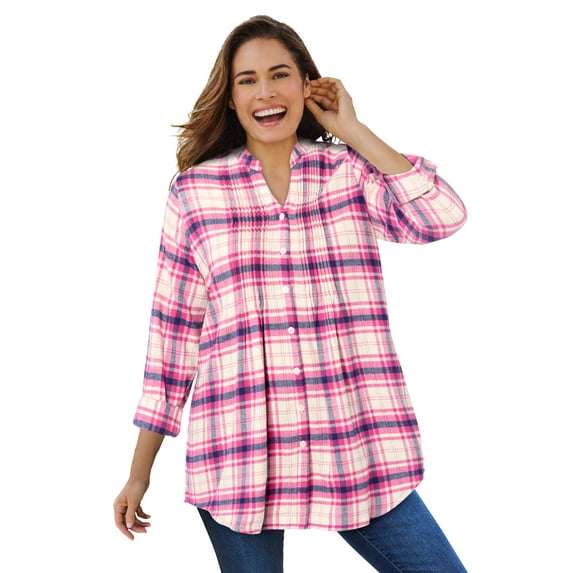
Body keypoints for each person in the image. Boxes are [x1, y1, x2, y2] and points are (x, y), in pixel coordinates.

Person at [113, 14, 468, 573]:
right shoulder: (195, 193)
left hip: (354, 448)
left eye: (280, 74)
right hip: (239, 453)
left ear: (307, 84)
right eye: (247, 80)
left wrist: (353, 130)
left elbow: (442, 216)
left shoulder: (349, 174)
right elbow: (172, 339)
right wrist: (140, 472)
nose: (266, 92)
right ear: (231, 98)